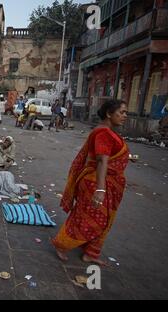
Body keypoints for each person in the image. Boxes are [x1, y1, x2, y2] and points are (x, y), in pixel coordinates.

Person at [52, 100, 129, 266]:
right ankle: (62, 244)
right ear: (109, 113)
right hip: (95, 183)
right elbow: (102, 160)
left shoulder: (108, 132)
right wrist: (100, 190)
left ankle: (91, 253)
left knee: (104, 219)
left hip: (109, 183)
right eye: (122, 112)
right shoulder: (104, 134)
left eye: (125, 113)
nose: (125, 116)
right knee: (87, 218)